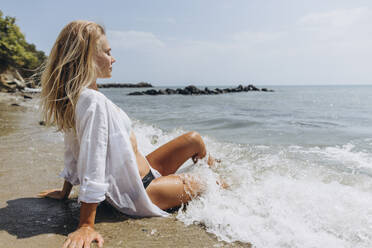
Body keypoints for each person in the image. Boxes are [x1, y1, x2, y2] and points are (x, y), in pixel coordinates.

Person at [38, 20, 217, 248]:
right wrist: (86, 225)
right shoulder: (92, 101)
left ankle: (210, 167)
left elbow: (73, 148)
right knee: (214, 183)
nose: (113, 58)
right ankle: (221, 189)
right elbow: (92, 156)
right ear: (87, 57)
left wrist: (65, 191)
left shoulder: (82, 96)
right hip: (142, 192)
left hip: (142, 173)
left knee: (194, 139)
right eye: (107, 52)